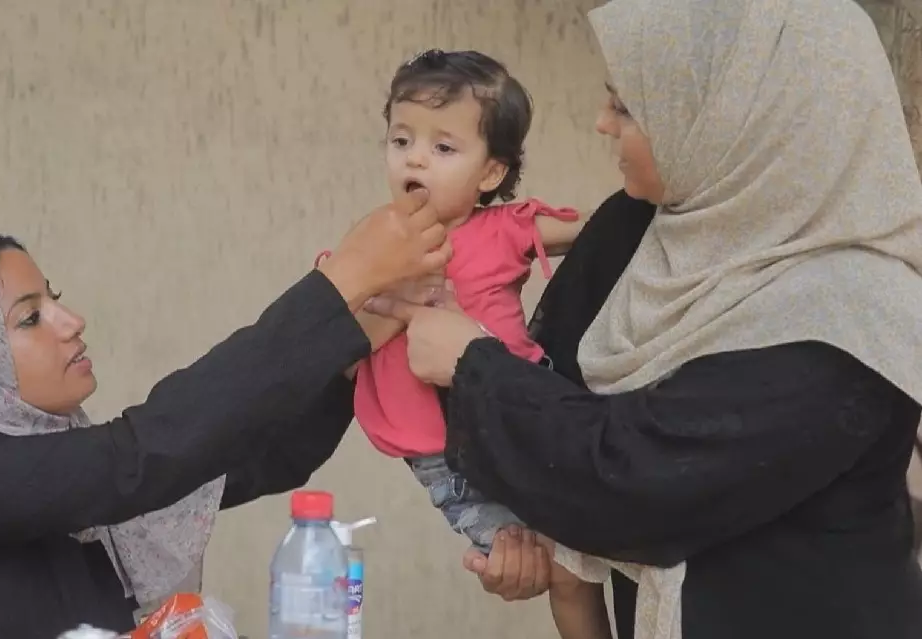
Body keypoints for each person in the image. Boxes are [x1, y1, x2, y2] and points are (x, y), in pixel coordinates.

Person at [365, 0, 922, 637]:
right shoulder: (643, 229)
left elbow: (637, 481)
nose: (602, 123)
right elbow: (554, 396)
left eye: (627, 107)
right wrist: (517, 532)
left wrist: (472, 363)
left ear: (737, 122)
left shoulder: (845, 313)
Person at [0, 191, 450, 639]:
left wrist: (347, 345)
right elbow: (137, 459)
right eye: (30, 317)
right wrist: (336, 288)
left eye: (56, 301)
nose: (72, 323)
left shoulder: (51, 468)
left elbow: (248, 457)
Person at [316, 48, 607, 639]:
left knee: (580, 568)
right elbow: (327, 341)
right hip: (441, 457)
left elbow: (606, 229)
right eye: (402, 141)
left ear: (491, 173)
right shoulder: (370, 247)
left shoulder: (502, 229)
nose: (415, 157)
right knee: (540, 562)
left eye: (443, 148)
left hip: (524, 421)